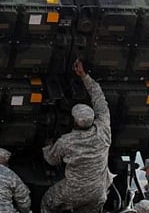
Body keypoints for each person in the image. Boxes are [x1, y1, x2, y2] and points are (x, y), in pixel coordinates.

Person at [41, 59, 112, 213]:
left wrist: (47, 145)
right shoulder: (103, 132)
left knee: (47, 202)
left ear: (74, 120)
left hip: (72, 192)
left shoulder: (67, 142)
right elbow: (99, 100)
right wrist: (84, 76)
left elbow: (51, 160)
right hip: (97, 192)